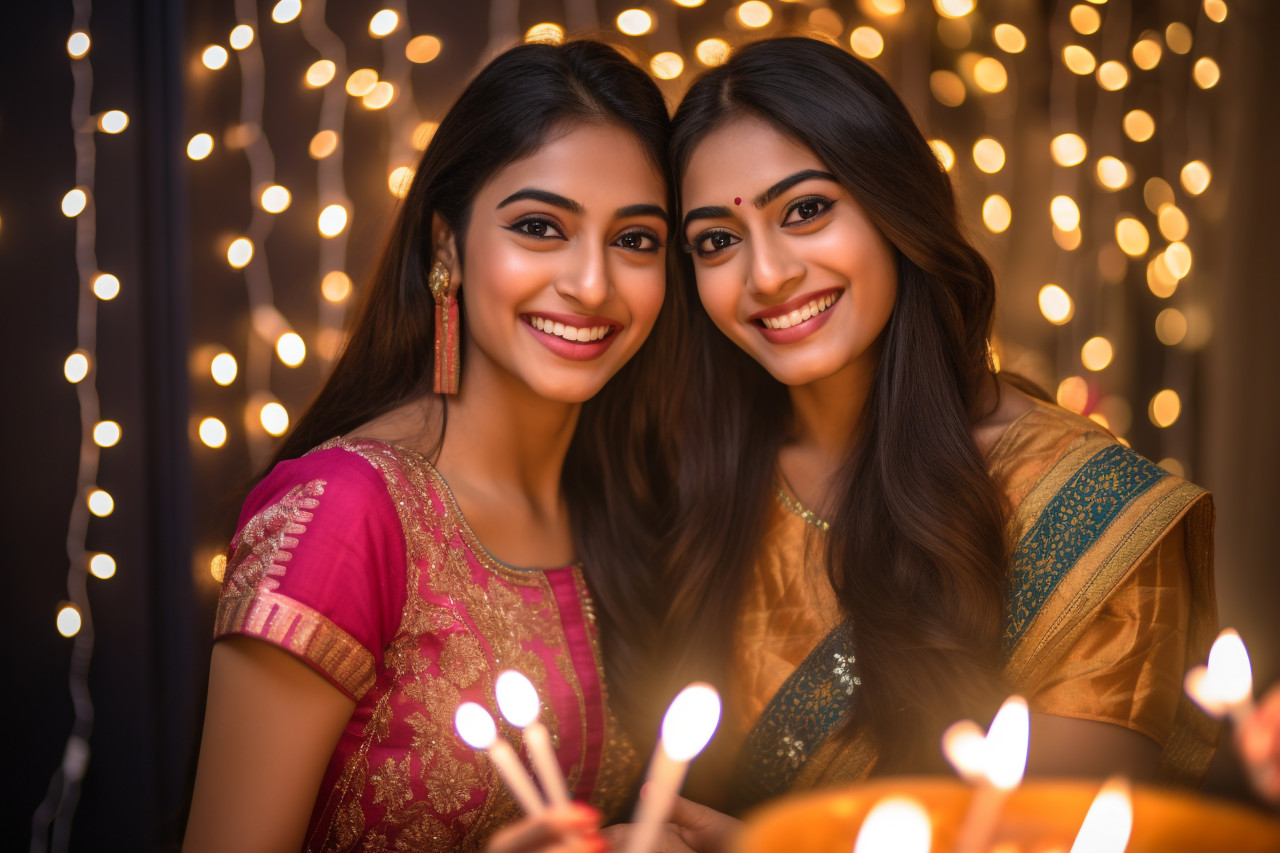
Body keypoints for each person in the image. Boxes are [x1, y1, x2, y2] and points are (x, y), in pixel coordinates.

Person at [617, 36, 1218, 850]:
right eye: (716, 240)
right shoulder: (691, 469)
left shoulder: (1089, 510)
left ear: (895, 205)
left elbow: (1067, 840)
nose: (765, 274)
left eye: (806, 209)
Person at [183, 39, 683, 853]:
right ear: (446, 244)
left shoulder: (631, 501)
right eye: (539, 227)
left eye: (636, 240)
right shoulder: (343, 513)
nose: (593, 284)